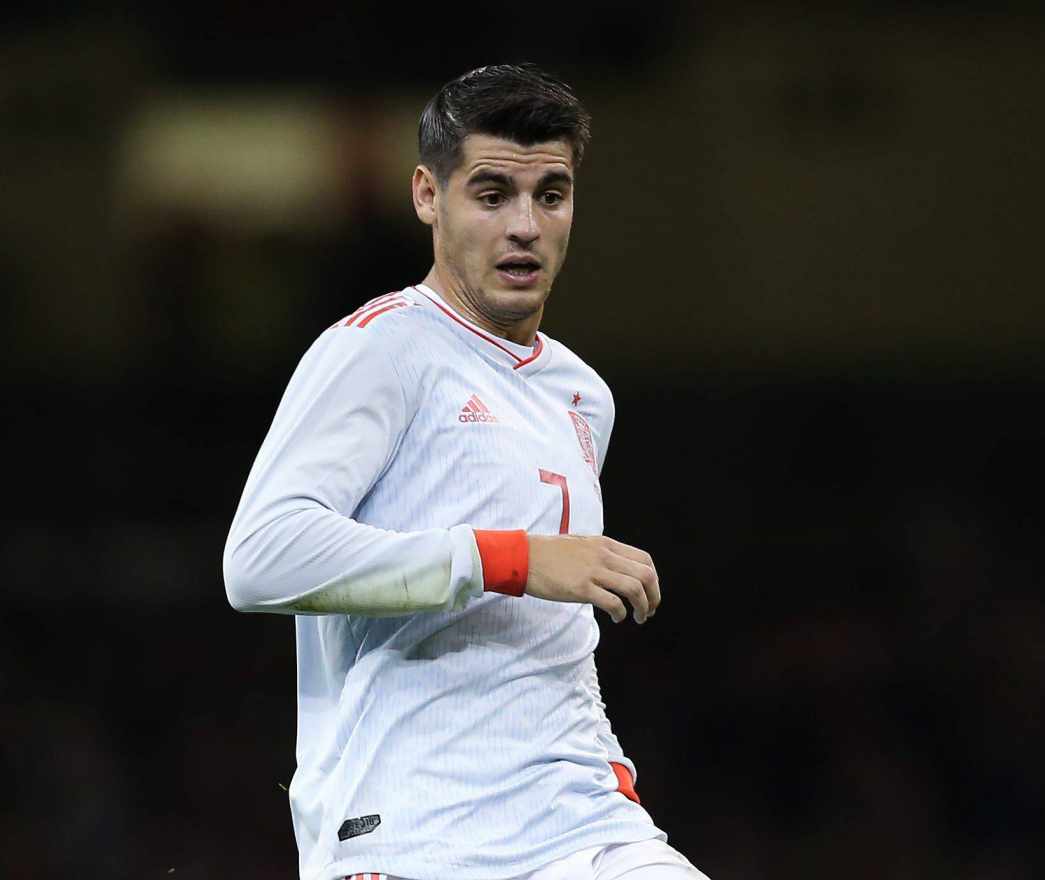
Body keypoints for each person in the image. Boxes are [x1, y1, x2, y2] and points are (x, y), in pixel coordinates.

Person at [223, 64, 707, 880]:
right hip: (415, 835)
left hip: (578, 824)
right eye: (491, 194)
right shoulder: (380, 349)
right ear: (426, 195)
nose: (525, 225)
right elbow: (260, 559)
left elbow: (545, 634)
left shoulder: (584, 397)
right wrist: (507, 558)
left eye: (550, 195)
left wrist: (605, 766)